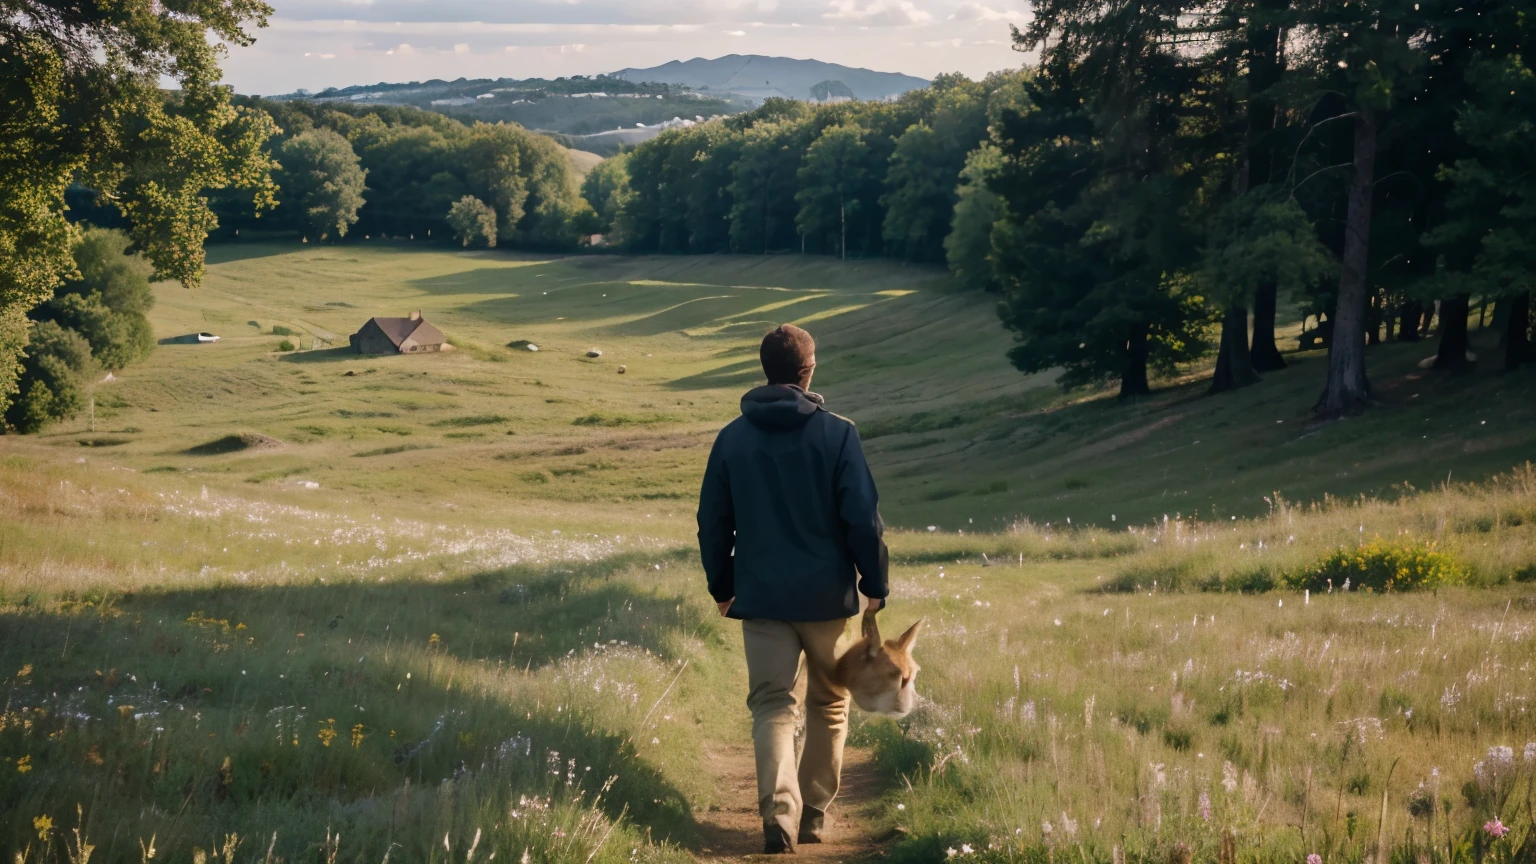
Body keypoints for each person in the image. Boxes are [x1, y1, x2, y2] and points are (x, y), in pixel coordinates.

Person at [696, 323, 889, 854]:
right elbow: (862, 519)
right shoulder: (839, 433)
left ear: (765, 369)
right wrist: (874, 584)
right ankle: (814, 815)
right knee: (828, 705)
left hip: (760, 598)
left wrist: (722, 586)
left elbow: (712, 521)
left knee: (772, 706)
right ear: (808, 371)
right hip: (827, 599)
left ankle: (779, 815)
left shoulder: (731, 438)